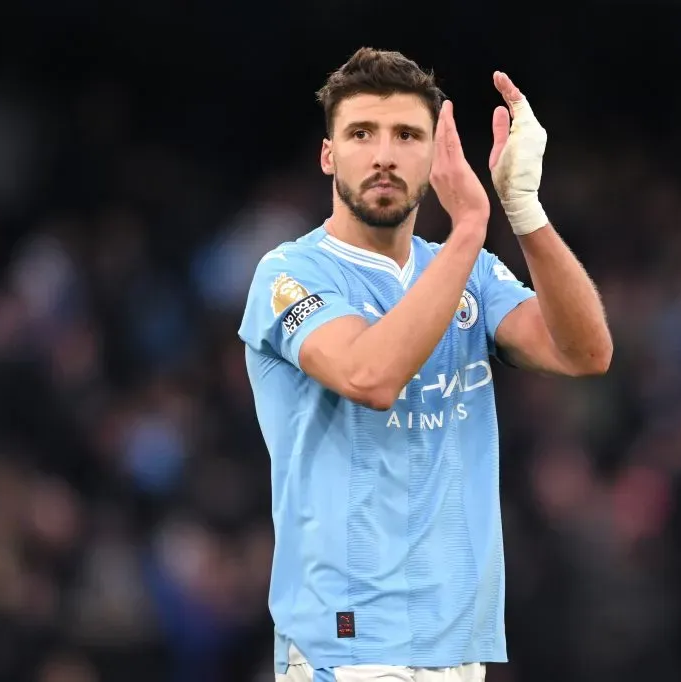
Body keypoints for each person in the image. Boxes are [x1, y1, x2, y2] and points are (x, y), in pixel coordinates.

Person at [239, 47, 612, 682]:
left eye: (407, 135)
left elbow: (584, 352)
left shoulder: (473, 274)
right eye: (361, 133)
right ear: (329, 156)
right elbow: (369, 376)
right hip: (348, 636)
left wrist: (523, 211)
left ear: (434, 155)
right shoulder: (289, 275)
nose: (383, 154)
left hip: (457, 636)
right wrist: (470, 227)